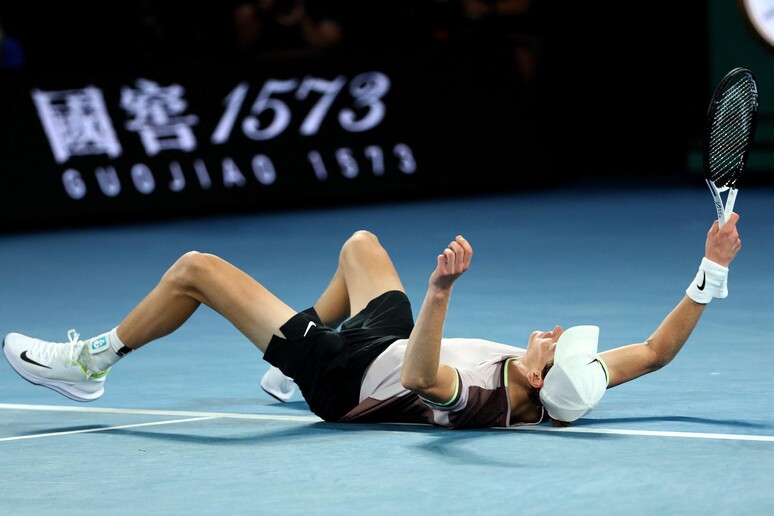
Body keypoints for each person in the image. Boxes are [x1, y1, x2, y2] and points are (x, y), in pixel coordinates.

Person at [2, 213, 741, 428]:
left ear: (536, 376)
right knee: (361, 247)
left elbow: (419, 376)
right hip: (382, 342)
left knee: (196, 269)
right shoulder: (566, 387)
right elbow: (657, 350)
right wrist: (712, 268)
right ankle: (278, 368)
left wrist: (440, 292)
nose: (550, 334)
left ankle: (91, 363)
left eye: (551, 346)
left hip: (343, 374)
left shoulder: (482, 398)